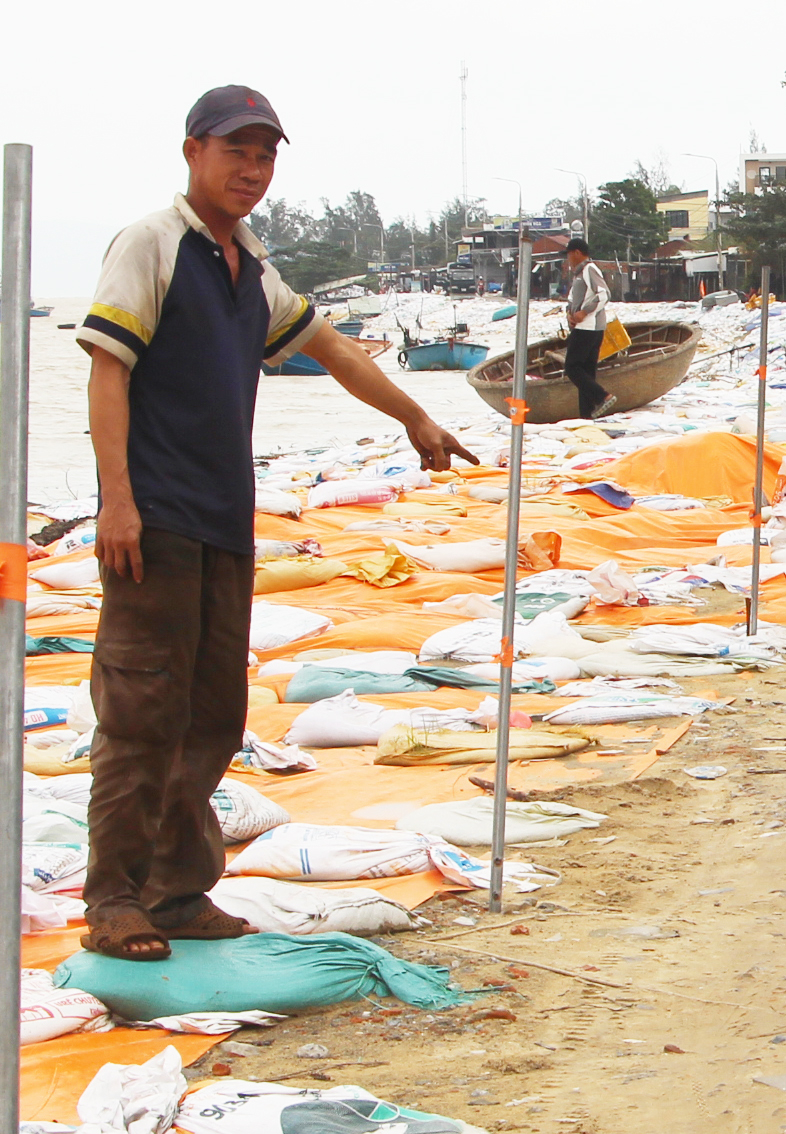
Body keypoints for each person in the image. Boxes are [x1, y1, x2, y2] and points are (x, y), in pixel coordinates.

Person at [75, 85, 477, 960]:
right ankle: (113, 901)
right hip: (155, 520)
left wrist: (414, 417)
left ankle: (177, 892)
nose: (251, 170)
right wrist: (117, 500)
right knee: (142, 712)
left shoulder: (252, 271)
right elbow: (108, 371)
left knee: (213, 715)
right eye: (236, 152)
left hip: (224, 520)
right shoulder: (152, 243)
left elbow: (333, 351)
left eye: (264, 156)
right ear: (193, 151)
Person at [563, 239, 617, 420]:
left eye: (569, 255)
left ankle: (602, 396)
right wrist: (570, 315)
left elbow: (604, 294)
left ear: (577, 253)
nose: (568, 259)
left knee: (572, 367)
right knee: (586, 372)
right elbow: (572, 299)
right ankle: (587, 414)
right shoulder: (578, 274)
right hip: (582, 326)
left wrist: (584, 312)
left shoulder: (589, 269)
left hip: (588, 327)